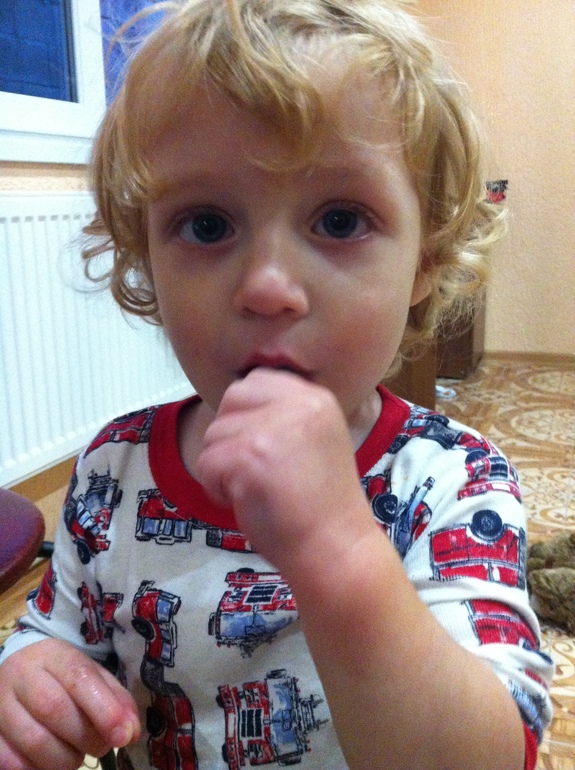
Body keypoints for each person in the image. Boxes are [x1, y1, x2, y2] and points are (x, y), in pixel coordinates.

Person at [0, 1, 554, 769]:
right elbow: (56, 638)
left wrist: (337, 549)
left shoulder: (454, 480)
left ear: (424, 259)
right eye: (206, 225)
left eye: (339, 220)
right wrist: (32, 683)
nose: (266, 286)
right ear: (147, 260)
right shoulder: (110, 470)